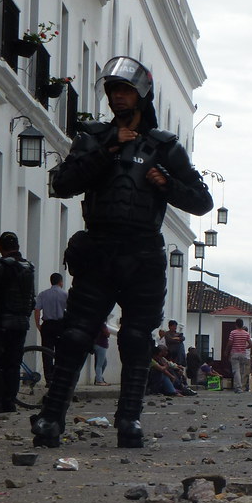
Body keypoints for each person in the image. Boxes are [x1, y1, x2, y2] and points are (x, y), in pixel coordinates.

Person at [33, 55, 213, 448]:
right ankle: (51, 416)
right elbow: (62, 184)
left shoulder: (165, 146)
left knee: (135, 338)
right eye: (112, 90)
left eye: (125, 90)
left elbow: (202, 202)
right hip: (98, 247)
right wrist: (109, 149)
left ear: (141, 94)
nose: (117, 97)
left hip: (143, 251)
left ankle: (129, 418)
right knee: (77, 334)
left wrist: (166, 184)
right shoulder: (95, 137)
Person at [0, 232, 35, 413]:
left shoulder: (1, 265)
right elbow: (31, 299)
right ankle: (9, 401)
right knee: (13, 363)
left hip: (2, 322)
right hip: (22, 323)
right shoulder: (28, 267)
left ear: (1, 247)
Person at [34, 272, 67, 384]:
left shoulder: (43, 294)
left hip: (47, 325)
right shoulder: (65, 294)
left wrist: (38, 324)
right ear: (60, 282)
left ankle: (49, 378)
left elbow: (37, 310)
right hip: (60, 325)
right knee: (60, 352)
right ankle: (58, 377)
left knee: (47, 352)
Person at [227, 318, 252, 393]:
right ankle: (241, 387)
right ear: (242, 325)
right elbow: (251, 344)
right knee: (242, 371)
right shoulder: (246, 334)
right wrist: (251, 351)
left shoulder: (233, 333)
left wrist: (226, 351)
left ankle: (238, 387)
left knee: (236, 371)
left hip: (235, 353)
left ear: (236, 325)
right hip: (243, 354)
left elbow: (230, 343)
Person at [93, 319, 112, 385]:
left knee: (104, 363)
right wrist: (108, 332)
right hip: (101, 345)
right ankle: (99, 381)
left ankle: (98, 378)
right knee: (100, 364)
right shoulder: (102, 324)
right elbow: (107, 333)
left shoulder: (97, 324)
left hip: (98, 345)